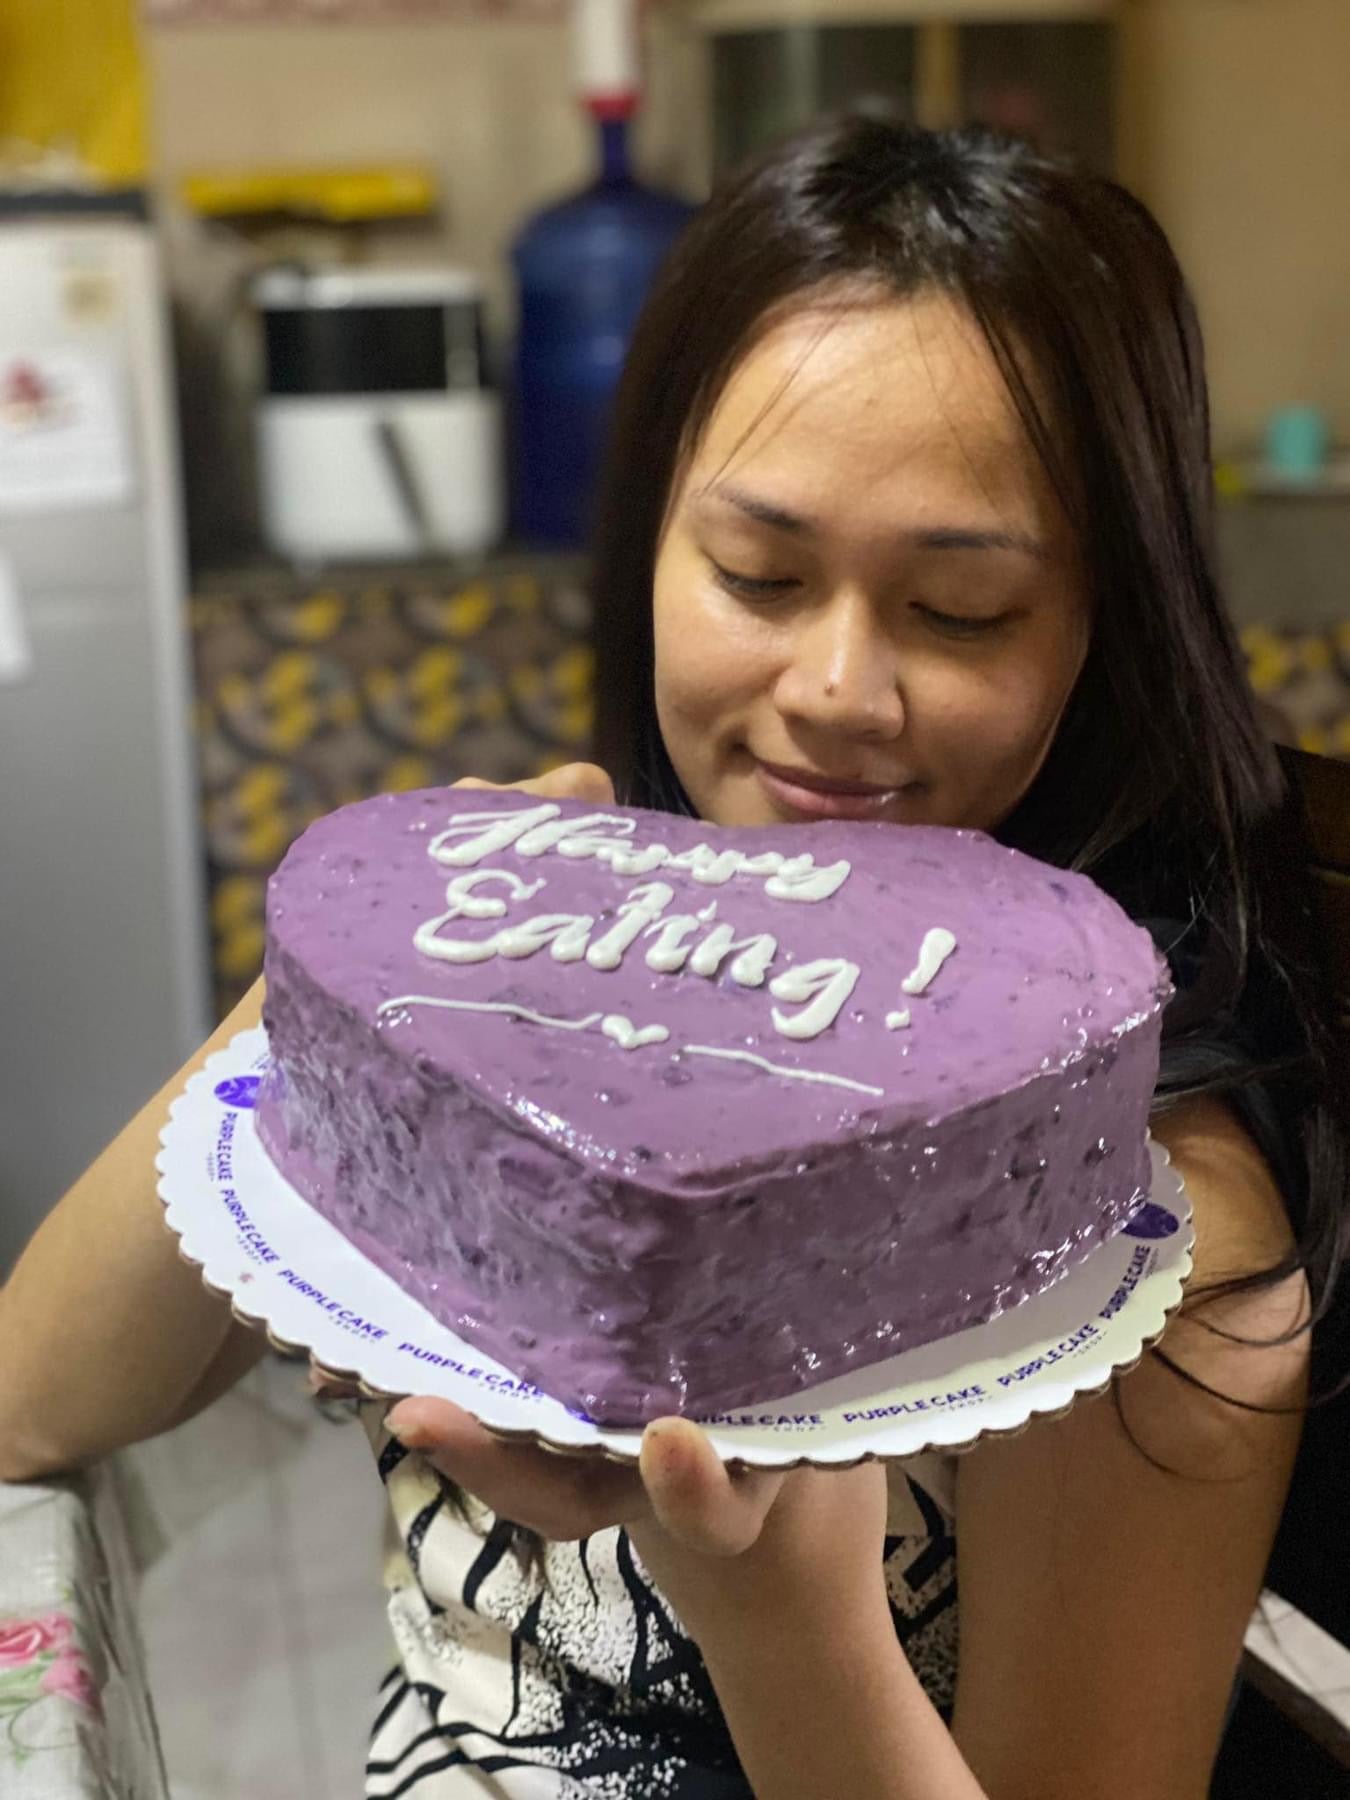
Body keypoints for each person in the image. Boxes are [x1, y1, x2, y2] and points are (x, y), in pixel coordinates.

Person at [2, 115, 1346, 1799]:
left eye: (960, 611)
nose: (840, 690)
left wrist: (776, 1608)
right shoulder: (553, 965)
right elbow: (31, 1401)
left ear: (1106, 622)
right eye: (757, 573)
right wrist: (365, 981)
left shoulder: (1143, 1229)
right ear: (643, 546)